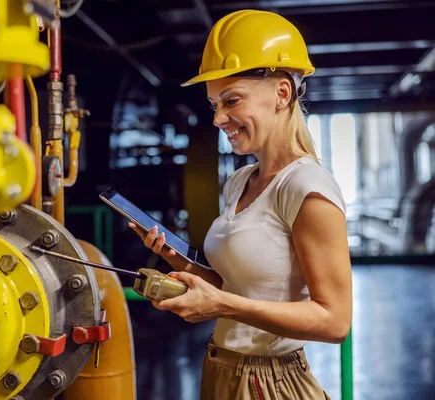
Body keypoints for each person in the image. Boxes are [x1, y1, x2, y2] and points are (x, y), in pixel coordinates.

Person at [129, 9, 352, 400]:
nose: (218, 118)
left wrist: (220, 305)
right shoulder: (239, 182)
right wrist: (179, 261)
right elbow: (238, 287)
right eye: (215, 104)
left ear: (282, 93)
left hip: (270, 382)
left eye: (231, 100)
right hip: (222, 369)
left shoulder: (307, 188)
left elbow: (334, 322)